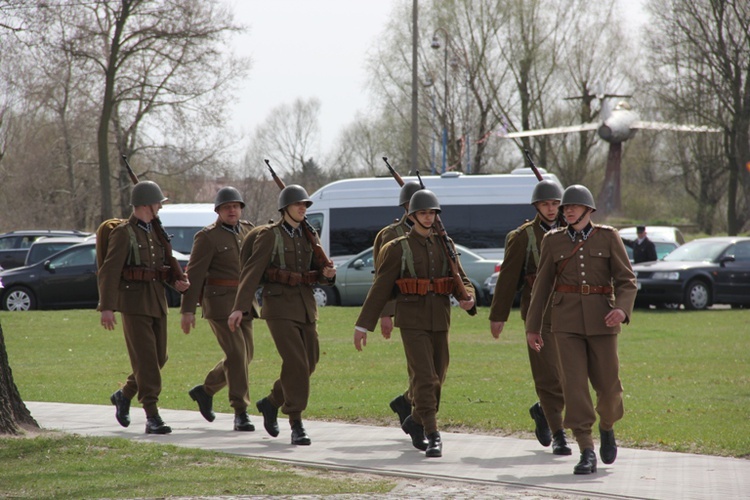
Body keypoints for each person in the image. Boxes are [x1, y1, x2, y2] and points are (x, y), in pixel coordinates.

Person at [353, 189, 476, 458]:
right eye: (423, 213)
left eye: (432, 213)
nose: (428, 217)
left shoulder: (446, 244)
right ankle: (433, 433)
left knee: (438, 377)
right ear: (412, 215)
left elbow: (461, 280)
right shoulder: (397, 248)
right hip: (412, 320)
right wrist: (363, 325)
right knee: (425, 378)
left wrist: (469, 298)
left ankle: (415, 421)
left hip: (440, 318)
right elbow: (380, 288)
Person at [525, 184, 637, 475]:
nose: (568, 210)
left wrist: (621, 309)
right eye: (565, 208)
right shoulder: (553, 241)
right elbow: (541, 287)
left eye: (574, 207)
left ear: (589, 210)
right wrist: (533, 327)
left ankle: (608, 425)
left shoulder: (608, 237)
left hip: (603, 321)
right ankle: (586, 449)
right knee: (574, 388)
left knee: (610, 389)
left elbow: (627, 280)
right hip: (566, 324)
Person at [228, 185, 336, 446]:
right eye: (298, 204)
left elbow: (317, 271)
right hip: (279, 308)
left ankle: (272, 401)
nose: (303, 208)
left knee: (310, 361)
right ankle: (296, 422)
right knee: (297, 363)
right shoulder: (270, 235)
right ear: (285, 208)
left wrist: (327, 275)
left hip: (306, 306)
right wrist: (240, 307)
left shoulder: (310, 235)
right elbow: (251, 273)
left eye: (305, 205)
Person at [99, 180, 190, 434]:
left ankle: (124, 394)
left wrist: (177, 282)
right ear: (146, 204)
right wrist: (106, 307)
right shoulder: (124, 233)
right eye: (158, 202)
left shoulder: (156, 232)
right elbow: (109, 271)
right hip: (134, 303)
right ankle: (152, 415)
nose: (160, 206)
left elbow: (162, 268)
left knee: (159, 357)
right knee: (147, 362)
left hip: (157, 301)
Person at [488, 180, 571, 456]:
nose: (551, 209)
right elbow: (508, 279)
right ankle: (559, 434)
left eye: (555, 203)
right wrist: (498, 316)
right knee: (548, 375)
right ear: (536, 206)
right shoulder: (523, 236)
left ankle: (542, 410)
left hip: (570, 311)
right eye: (546, 204)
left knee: (569, 375)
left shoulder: (572, 231)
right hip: (538, 314)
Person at [180, 187, 259, 432]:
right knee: (236, 355)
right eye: (227, 207)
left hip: (245, 303)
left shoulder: (248, 230)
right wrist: (187, 310)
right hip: (220, 304)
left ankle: (205, 391)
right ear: (218, 211)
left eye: (236, 206)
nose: (232, 210)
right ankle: (241, 411)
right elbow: (193, 273)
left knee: (246, 356)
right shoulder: (207, 237)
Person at [372, 181, 421, 427]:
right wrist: (385, 314)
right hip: (405, 306)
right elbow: (382, 279)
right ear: (405, 206)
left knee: (431, 369)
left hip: (433, 308)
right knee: (420, 368)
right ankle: (420, 419)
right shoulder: (390, 235)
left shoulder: (436, 231)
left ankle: (408, 403)